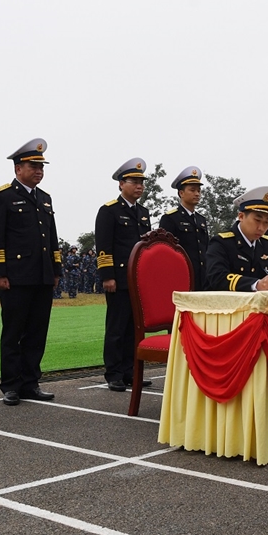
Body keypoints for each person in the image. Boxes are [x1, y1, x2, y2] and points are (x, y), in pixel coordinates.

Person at [0, 138, 60, 406]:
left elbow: (52, 238)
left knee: (37, 332)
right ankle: (11, 385)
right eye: (33, 166)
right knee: (13, 332)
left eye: (41, 167)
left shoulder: (44, 198)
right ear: (18, 168)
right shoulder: (3, 196)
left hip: (42, 275)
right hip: (16, 277)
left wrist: (56, 270)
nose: (39, 171)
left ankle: (30, 382)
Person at [95, 157, 153, 392]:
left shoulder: (143, 212)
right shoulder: (109, 211)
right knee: (117, 328)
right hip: (118, 279)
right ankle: (114, 373)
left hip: (139, 280)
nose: (139, 186)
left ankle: (131, 371)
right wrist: (107, 276)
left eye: (141, 182)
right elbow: (103, 246)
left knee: (135, 328)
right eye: (134, 182)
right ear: (121, 184)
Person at [158, 166, 209, 290]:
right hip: (181, 276)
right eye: (192, 190)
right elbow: (165, 252)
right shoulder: (170, 218)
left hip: (202, 278)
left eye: (199, 190)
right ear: (181, 193)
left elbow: (205, 249)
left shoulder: (201, 220)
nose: (197, 194)